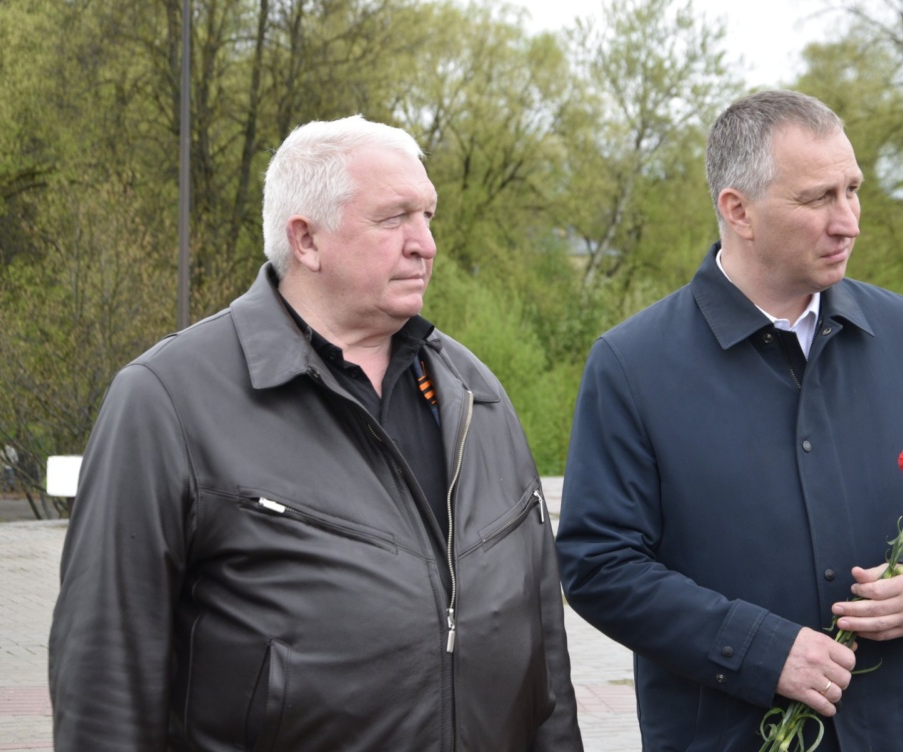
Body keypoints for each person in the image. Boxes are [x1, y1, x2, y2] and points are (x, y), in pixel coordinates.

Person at [49, 116, 583, 751]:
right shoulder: (167, 399)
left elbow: (543, 655)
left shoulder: (477, 393)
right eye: (394, 218)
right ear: (305, 240)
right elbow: (105, 677)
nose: (425, 244)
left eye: (428, 216)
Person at [555, 90, 903, 752]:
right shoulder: (632, 364)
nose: (848, 222)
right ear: (738, 210)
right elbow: (599, 564)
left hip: (898, 732)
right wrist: (757, 651)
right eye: (818, 198)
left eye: (853, 191)